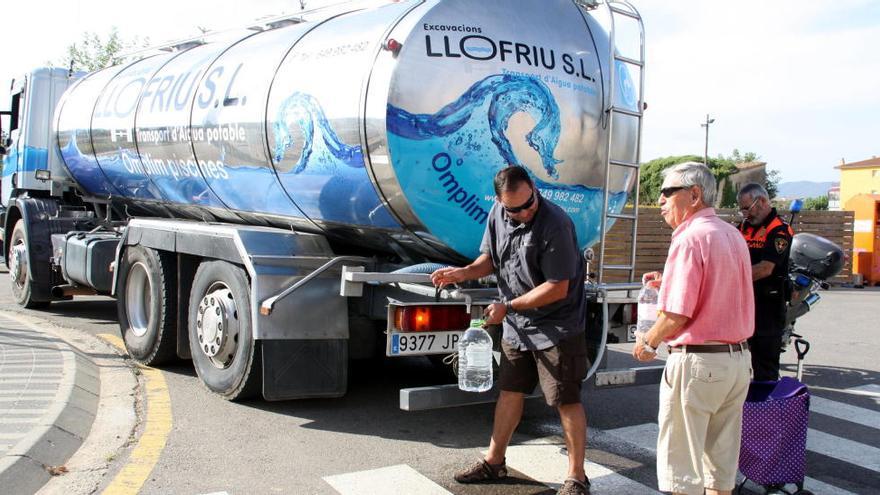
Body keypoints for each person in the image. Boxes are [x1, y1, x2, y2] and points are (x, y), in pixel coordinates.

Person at [431, 165, 590, 495]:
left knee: (565, 399)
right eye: (513, 209)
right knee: (510, 391)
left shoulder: (556, 223)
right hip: (518, 326)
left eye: (527, 204)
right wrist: (462, 273)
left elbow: (558, 287)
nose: (522, 212)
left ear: (533, 188)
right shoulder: (499, 212)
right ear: (501, 202)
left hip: (556, 325)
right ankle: (494, 462)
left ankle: (576, 477)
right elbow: (489, 259)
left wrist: (509, 307)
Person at [633, 162, 754, 495]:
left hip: (698, 364)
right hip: (737, 361)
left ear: (694, 194)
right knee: (720, 471)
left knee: (683, 474)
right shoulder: (731, 234)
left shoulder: (689, 238)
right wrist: (667, 283)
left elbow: (676, 315)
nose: (660, 199)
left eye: (668, 191)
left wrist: (648, 341)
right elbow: (719, 291)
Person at [736, 183, 794, 381]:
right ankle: (741, 407)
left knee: (765, 368)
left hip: (767, 306)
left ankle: (765, 409)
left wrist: (728, 279)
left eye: (746, 208)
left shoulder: (779, 230)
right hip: (742, 303)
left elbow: (765, 268)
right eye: (741, 209)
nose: (744, 214)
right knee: (736, 360)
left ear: (761, 201)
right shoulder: (743, 227)